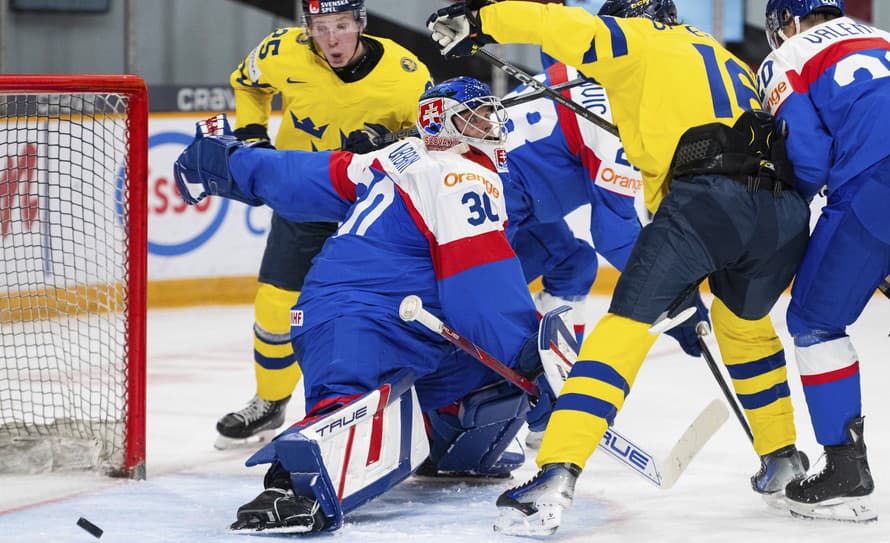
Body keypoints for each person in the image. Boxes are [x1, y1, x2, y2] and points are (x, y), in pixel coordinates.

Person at [428, 0, 812, 535]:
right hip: (782, 210)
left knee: (621, 332)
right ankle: (783, 456)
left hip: (705, 199)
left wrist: (482, 19)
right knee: (746, 331)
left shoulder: (640, 42)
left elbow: (560, 25)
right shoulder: (726, 57)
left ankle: (556, 471)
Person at [174, 77, 574, 534]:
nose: (490, 122)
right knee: (348, 401)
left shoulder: (393, 156)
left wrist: (223, 161)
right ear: (440, 119)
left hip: (414, 321)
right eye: (476, 115)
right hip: (354, 313)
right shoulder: (463, 174)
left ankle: (449, 447)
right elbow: (480, 287)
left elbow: (296, 177)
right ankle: (290, 486)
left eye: (488, 112)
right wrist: (528, 359)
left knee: (493, 391)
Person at [216, 0, 432, 449]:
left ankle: (401, 406)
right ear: (306, 27)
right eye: (320, 27)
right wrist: (254, 138)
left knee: (377, 312)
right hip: (304, 200)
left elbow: (436, 139)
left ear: (360, 24)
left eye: (341, 26)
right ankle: (270, 402)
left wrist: (391, 144)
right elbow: (246, 82)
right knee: (275, 303)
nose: (331, 39)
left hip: (373, 208)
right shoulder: (282, 50)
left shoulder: (406, 72)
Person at [758, 0, 888, 523]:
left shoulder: (786, 55)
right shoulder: (879, 35)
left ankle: (845, 471)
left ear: (788, 21)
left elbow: (808, 155)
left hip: (875, 180)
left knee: (813, 320)